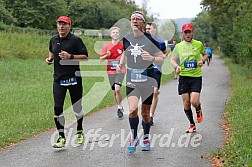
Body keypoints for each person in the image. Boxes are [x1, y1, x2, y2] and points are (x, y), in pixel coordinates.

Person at [117, 11, 164, 152]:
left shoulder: (151, 39)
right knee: (132, 109)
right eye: (133, 19)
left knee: (145, 112)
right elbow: (125, 54)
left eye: (138, 19)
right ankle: (134, 136)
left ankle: (146, 137)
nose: (135, 21)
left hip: (147, 80)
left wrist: (151, 58)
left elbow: (161, 58)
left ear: (143, 22)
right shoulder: (126, 39)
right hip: (132, 79)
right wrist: (121, 65)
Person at [45, 16, 88, 148]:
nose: (61, 26)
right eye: (59, 24)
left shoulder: (76, 40)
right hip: (58, 79)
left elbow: (85, 57)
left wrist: (71, 56)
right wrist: (50, 59)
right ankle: (61, 137)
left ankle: (79, 130)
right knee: (58, 107)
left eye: (64, 24)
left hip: (74, 78)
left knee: (77, 107)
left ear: (69, 26)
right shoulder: (53, 39)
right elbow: (52, 51)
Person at [170, 23, 208, 133]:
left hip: (196, 76)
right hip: (184, 78)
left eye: (189, 32)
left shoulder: (198, 44)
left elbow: (205, 55)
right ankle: (192, 124)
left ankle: (198, 108)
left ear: (192, 33)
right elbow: (172, 59)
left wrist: (202, 61)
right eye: (185, 32)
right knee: (186, 103)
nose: (187, 34)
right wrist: (176, 66)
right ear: (182, 34)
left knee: (194, 101)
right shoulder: (178, 46)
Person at [100, 27, 126, 118]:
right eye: (113, 32)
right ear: (110, 35)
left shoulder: (122, 46)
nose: (115, 34)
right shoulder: (106, 46)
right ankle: (120, 105)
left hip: (120, 70)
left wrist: (121, 64)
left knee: (117, 88)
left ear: (119, 35)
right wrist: (107, 55)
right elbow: (101, 59)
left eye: (117, 32)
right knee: (115, 91)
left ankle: (119, 108)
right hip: (110, 71)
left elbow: (125, 57)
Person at [148, 22, 167, 126]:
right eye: (147, 29)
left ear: (154, 29)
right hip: (146, 70)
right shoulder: (144, 41)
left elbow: (165, 52)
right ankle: (146, 112)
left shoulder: (160, 41)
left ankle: (151, 115)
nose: (148, 30)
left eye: (150, 28)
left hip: (156, 70)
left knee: (155, 92)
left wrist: (163, 57)